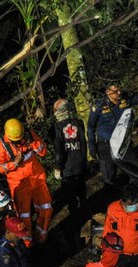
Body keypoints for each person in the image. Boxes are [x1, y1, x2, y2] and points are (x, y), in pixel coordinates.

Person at [0, 118, 53, 246]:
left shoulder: (30, 135)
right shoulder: (0, 145)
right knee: (23, 216)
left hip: (37, 178)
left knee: (46, 209)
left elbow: (43, 152)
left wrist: (34, 145)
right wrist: (14, 163)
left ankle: (41, 235)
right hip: (19, 184)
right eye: (15, 140)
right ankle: (27, 243)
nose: (19, 141)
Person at [52, 98, 88, 248]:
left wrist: (58, 167)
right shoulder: (78, 123)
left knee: (71, 199)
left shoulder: (58, 127)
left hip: (67, 169)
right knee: (82, 193)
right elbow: (83, 144)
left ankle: (76, 228)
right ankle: (86, 216)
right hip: (80, 165)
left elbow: (59, 151)